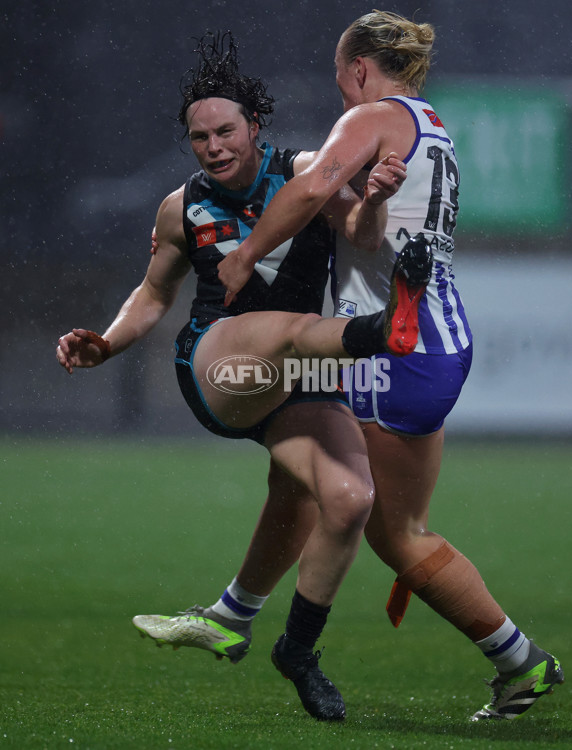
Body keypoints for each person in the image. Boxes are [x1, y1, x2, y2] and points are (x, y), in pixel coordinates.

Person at [134, 12, 564, 723]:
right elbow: (367, 224)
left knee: (375, 520)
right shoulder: (431, 125)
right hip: (440, 336)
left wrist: (246, 253)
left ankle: (516, 660)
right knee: (330, 489)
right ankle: (235, 615)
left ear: (359, 68)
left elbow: (307, 190)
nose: (340, 92)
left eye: (340, 77)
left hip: (390, 346)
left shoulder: (374, 117)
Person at [55, 31, 424, 722]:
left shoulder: (311, 171)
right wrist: (106, 343)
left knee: (347, 500)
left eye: (225, 131)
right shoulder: (179, 206)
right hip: (218, 364)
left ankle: (292, 647)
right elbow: (155, 296)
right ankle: (384, 332)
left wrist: (373, 195)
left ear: (255, 127)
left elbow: (368, 239)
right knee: (283, 329)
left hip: (301, 372)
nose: (213, 147)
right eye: (199, 137)